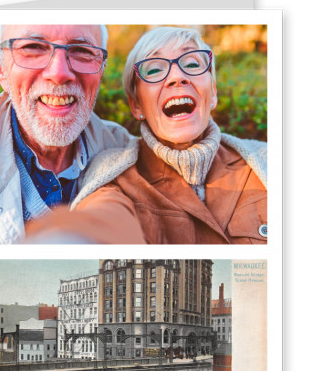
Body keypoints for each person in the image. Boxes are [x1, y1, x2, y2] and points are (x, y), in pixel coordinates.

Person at [25, 26, 267, 244]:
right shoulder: (114, 176)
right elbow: (103, 218)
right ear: (136, 105)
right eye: (154, 69)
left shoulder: (266, 161)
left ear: (212, 92)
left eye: (192, 64)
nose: (177, 77)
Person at [0, 24, 137, 244]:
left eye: (82, 51)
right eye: (33, 47)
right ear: (0, 68)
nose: (59, 74)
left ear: (101, 69)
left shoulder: (125, 152)